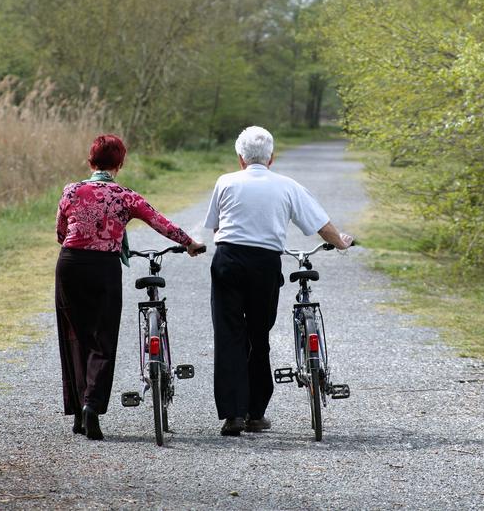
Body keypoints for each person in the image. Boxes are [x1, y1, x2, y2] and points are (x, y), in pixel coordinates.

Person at [203, 126, 354, 436]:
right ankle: (255, 414)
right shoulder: (287, 186)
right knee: (259, 336)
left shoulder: (225, 182)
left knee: (229, 335)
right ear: (271, 158)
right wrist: (341, 242)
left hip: (228, 259)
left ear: (240, 158)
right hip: (265, 263)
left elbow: (215, 229)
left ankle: (232, 415)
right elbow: (320, 225)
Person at [56, 134, 205, 440]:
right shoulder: (125, 197)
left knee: (74, 336)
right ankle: (92, 407)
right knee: (102, 338)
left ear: (90, 161)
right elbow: (160, 222)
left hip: (70, 265)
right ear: (120, 163)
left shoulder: (71, 190)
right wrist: (189, 243)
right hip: (104, 268)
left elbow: (60, 231)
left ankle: (78, 413)